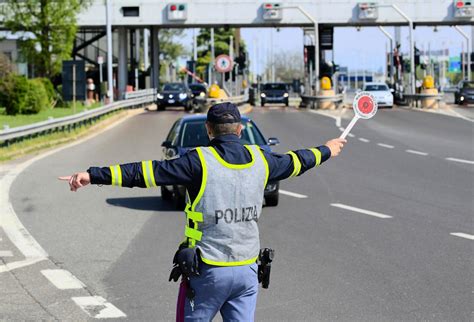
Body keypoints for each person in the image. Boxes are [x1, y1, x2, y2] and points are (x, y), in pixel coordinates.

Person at [59, 102, 346, 321]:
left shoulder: (198, 161)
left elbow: (145, 173)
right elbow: (298, 161)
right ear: (240, 129)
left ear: (209, 130)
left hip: (208, 271)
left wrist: (92, 175)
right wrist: (328, 149)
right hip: (247, 270)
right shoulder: (263, 160)